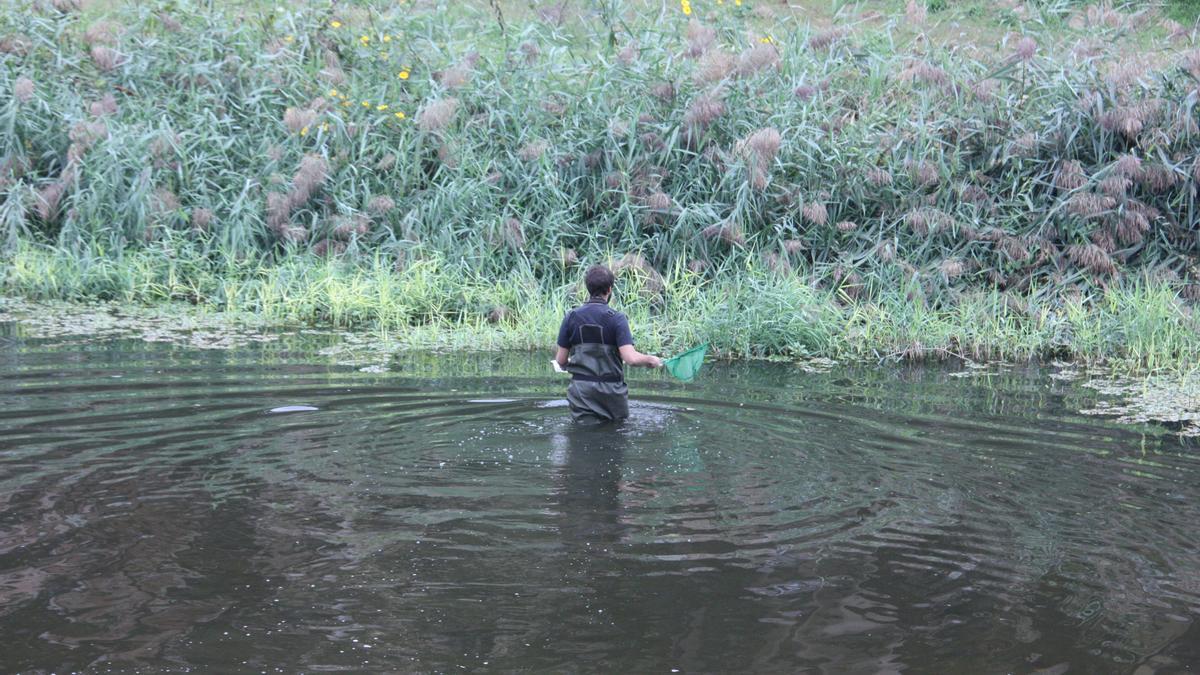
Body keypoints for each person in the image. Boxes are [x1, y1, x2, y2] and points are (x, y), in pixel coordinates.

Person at [555, 265, 662, 422]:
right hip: (611, 393)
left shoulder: (570, 317)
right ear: (610, 289)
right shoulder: (617, 319)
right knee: (616, 435)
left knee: (581, 436)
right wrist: (651, 359)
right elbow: (631, 358)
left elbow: (561, 360)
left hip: (582, 392)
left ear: (588, 288)